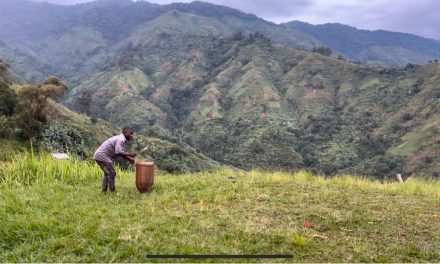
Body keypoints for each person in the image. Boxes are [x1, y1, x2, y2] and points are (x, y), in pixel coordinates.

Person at [93, 126, 137, 193]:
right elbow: (118, 152)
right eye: (130, 133)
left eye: (132, 134)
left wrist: (129, 159)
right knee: (112, 173)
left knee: (107, 173)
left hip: (99, 155)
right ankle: (112, 191)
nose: (131, 136)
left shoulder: (120, 139)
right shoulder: (120, 139)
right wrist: (130, 154)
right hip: (103, 155)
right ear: (124, 132)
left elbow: (120, 153)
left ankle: (103, 191)